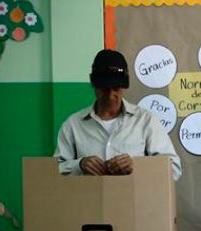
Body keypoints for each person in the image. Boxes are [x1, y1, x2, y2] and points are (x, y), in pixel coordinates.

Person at [54, 49, 182, 180]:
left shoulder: (145, 121)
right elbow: (53, 172)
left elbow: (174, 169)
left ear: (123, 87)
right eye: (104, 88)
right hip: (89, 200)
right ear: (94, 84)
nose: (110, 96)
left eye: (116, 88)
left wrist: (136, 166)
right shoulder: (73, 125)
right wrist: (79, 165)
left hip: (135, 200)